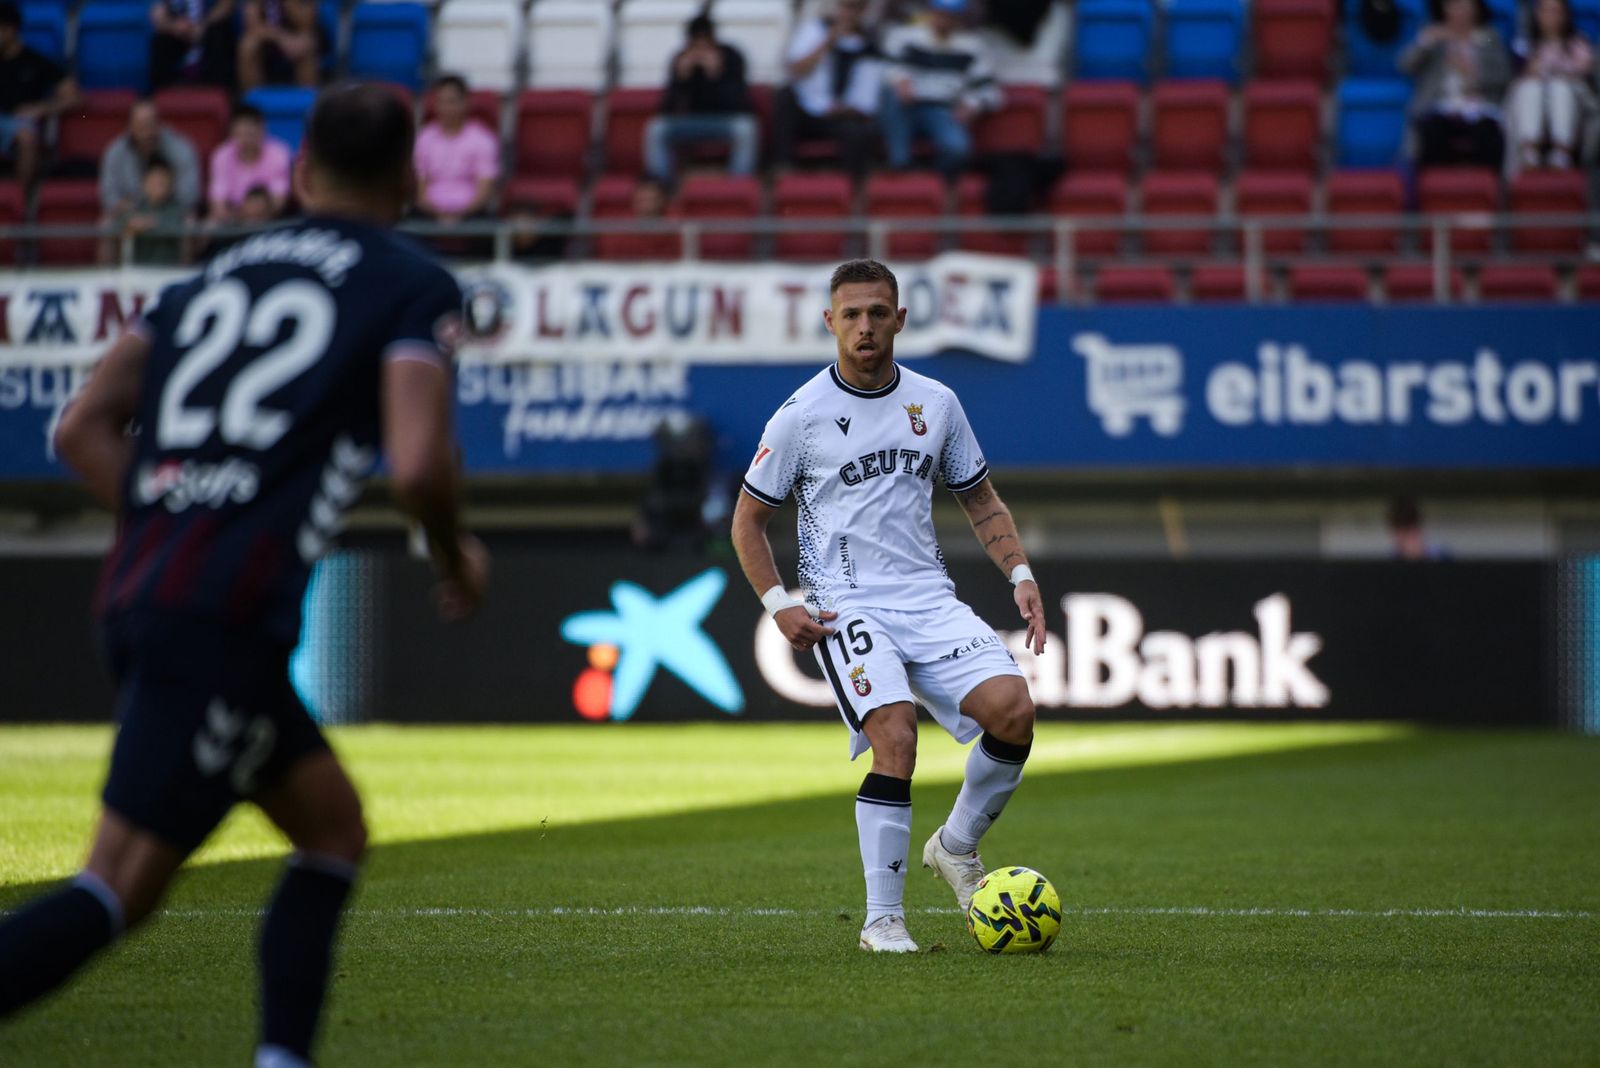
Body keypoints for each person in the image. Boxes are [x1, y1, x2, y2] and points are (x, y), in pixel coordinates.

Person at [0, 84, 490, 1068]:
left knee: (333, 829)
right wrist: (454, 557)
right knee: (116, 886)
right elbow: (419, 462)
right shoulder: (409, 283)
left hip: (156, 594)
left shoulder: (205, 281)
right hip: (218, 615)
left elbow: (78, 427)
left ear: (300, 172)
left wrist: (176, 511)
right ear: (406, 180)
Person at [730, 258, 1045, 953]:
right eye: (852, 315)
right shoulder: (801, 416)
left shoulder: (936, 403)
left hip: (929, 601)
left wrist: (1019, 570)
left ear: (900, 318)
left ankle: (955, 847)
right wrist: (778, 602)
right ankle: (882, 921)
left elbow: (980, 499)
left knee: (1014, 712)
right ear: (829, 323)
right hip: (848, 607)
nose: (865, 326)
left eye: (878, 313)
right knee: (895, 737)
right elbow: (747, 521)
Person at [879, 0, 1001, 178]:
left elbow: (989, 90)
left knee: (958, 150)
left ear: (959, 18)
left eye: (950, 15)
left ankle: (936, 181)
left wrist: (972, 104)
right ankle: (900, 164)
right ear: (931, 11)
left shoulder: (972, 47)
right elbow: (884, 67)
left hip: (942, 110)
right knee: (890, 94)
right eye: (940, 13)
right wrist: (899, 79)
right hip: (906, 107)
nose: (943, 19)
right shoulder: (905, 36)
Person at [773, 0, 885, 178]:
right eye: (846, 6)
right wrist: (827, 42)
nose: (849, 13)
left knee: (860, 132)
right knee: (784, 97)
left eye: (856, 8)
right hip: (809, 110)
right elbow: (796, 70)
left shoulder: (869, 45)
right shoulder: (815, 30)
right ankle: (783, 170)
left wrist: (845, 109)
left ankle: (851, 187)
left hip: (841, 116)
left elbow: (868, 100)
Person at [645, 13, 759, 185]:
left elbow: (741, 105)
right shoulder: (680, 59)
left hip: (724, 121)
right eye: (695, 44)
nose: (700, 51)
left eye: (704, 43)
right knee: (656, 129)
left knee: (746, 128)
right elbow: (665, 110)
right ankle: (661, 188)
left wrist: (717, 75)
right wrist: (680, 80)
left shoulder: (731, 57)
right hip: (691, 122)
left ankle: (738, 186)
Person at [1400, 0, 1512, 167]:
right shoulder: (1435, 35)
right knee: (1433, 131)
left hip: (1479, 106)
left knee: (1487, 133)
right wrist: (1425, 41)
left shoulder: (1487, 36)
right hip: (1440, 105)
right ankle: (1435, 188)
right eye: (1452, 4)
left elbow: (1503, 74)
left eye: (1464, 5)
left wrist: (1473, 72)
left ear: (1476, 8)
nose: (1459, 11)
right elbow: (1405, 65)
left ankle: (1486, 187)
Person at [1507, 0, 1596, 169]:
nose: (1550, 17)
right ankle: (1529, 152)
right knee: (1530, 86)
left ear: (1565, 15)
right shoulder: (1527, 45)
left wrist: (1559, 73)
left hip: (1572, 99)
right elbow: (1517, 76)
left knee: (1559, 87)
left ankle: (1561, 152)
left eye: (1555, 11)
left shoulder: (1578, 42)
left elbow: (1584, 74)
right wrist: (1531, 70)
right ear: (1537, 14)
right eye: (1545, 11)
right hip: (1537, 98)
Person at [0, 0, 79, 190]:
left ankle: (19, 202)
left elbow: (76, 97)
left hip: (21, 123)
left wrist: (41, 108)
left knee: (26, 138)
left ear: (10, 30)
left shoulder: (36, 62)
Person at [413, 74, 500, 225]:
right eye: (441, 102)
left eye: (451, 102)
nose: (446, 108)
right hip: (430, 211)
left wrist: (459, 215)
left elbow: (484, 190)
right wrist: (438, 214)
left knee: (490, 227)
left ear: (466, 102)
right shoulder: (424, 138)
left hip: (471, 212)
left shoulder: (482, 139)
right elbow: (420, 189)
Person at [99, 98, 201, 221]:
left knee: (190, 220)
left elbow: (189, 195)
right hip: (129, 212)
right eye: (141, 127)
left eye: (150, 125)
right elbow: (109, 196)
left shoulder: (182, 149)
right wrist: (135, 212)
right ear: (130, 127)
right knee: (106, 223)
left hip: (171, 211)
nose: (147, 133)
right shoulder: (115, 152)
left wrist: (162, 208)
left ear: (159, 124)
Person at [209, 104, 292, 223]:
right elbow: (217, 203)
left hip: (269, 220)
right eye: (242, 133)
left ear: (262, 129)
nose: (247, 139)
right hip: (233, 220)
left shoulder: (279, 153)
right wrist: (241, 217)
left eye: (251, 133)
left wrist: (256, 213)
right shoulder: (221, 155)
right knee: (209, 226)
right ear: (232, 132)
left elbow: (278, 202)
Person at [103, 155, 190, 266]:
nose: (159, 185)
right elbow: (118, 224)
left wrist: (147, 223)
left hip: (168, 269)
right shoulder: (135, 206)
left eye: (163, 181)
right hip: (138, 270)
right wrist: (129, 223)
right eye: (155, 181)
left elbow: (176, 226)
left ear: (171, 184)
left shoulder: (177, 207)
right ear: (144, 183)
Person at [149, 0, 237, 91]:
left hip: (209, 28)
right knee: (161, 41)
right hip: (177, 31)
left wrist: (204, 26)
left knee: (218, 35)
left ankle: (219, 92)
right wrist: (174, 26)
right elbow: (157, 13)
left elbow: (226, 6)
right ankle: (163, 95)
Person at [239, 0, 322, 92]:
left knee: (306, 43)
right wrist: (281, 38)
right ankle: (252, 99)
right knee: (248, 45)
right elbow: (253, 25)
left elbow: (307, 25)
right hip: (266, 39)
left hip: (296, 36)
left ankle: (308, 98)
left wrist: (289, 3)